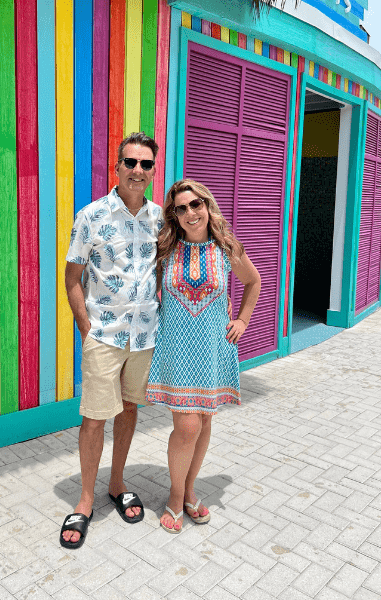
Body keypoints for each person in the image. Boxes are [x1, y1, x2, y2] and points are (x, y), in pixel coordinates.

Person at [60, 132, 163, 549]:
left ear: (153, 171)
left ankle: (117, 483)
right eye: (130, 163)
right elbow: (72, 278)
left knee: (129, 409)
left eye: (146, 164)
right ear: (116, 167)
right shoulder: (91, 215)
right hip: (104, 334)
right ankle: (85, 499)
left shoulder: (160, 217)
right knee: (94, 417)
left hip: (144, 336)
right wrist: (87, 329)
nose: (138, 170)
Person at [145, 179, 261, 533]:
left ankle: (190, 489)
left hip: (213, 348)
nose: (190, 213)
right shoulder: (164, 249)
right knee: (188, 425)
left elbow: (253, 281)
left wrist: (242, 319)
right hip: (177, 348)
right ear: (174, 215)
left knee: (205, 421)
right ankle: (175, 497)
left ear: (207, 206)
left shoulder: (227, 248)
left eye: (196, 204)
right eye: (181, 208)